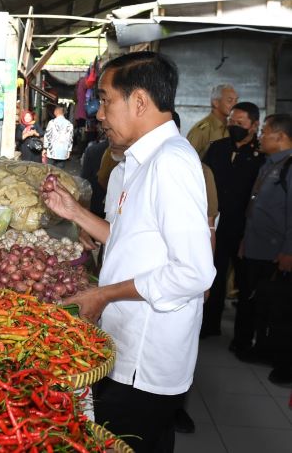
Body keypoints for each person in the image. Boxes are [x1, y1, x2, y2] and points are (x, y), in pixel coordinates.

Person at [41, 51, 215, 453]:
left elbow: (193, 273)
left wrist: (102, 294)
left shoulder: (170, 163)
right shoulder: (135, 161)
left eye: (105, 100)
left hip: (145, 357)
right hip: (123, 342)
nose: (98, 114)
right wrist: (74, 212)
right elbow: (131, 237)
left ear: (138, 102)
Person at [233, 113, 292, 365]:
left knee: (271, 304)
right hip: (255, 246)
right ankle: (250, 343)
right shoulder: (268, 164)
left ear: (280, 137)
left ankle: (267, 349)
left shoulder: (289, 167)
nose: (261, 136)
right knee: (253, 300)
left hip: (274, 251)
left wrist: (288, 252)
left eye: (265, 132)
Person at [201, 102, 263, 338]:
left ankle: (243, 336)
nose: (234, 126)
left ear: (253, 125)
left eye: (240, 123)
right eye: (231, 122)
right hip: (215, 223)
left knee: (245, 282)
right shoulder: (217, 148)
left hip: (242, 228)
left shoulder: (260, 156)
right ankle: (209, 325)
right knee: (213, 274)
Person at [187, 84, 238, 159]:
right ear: (215, 103)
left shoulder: (232, 127)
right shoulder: (201, 130)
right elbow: (187, 158)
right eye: (230, 100)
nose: (235, 105)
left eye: (236, 100)